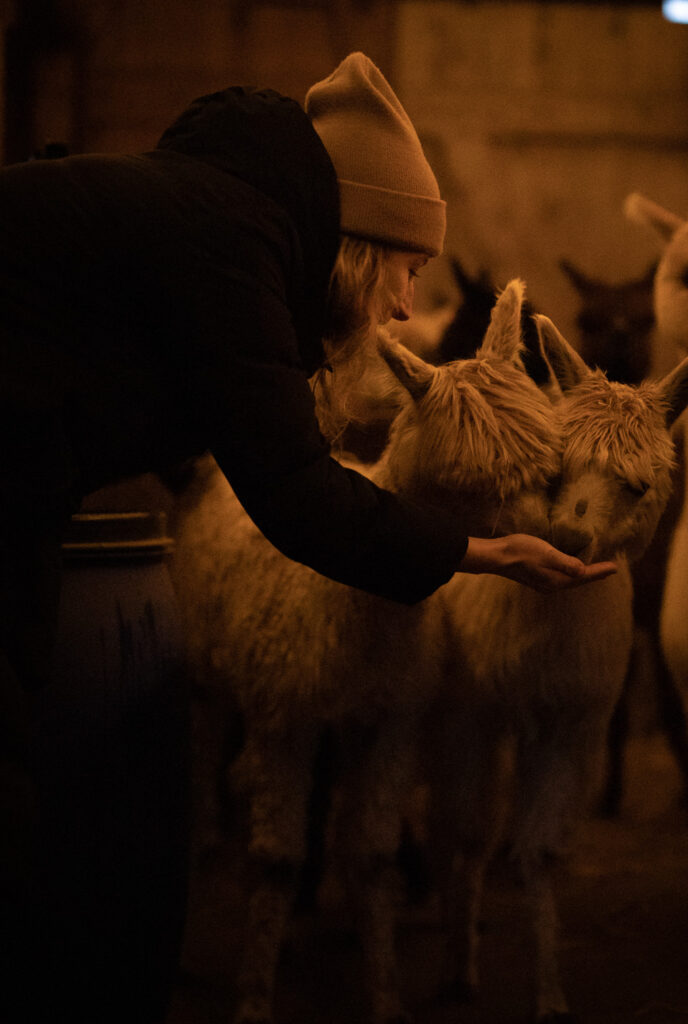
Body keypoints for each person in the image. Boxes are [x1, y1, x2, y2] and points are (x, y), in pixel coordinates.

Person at [0, 51, 615, 1022]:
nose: (409, 306)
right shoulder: (231, 243)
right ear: (362, 243)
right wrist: (475, 554)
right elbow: (291, 488)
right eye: (407, 269)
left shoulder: (219, 221)